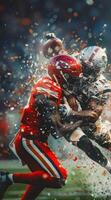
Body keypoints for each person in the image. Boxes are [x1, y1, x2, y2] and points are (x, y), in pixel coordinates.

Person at [44, 33, 111, 171]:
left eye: (87, 68)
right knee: (82, 141)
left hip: (83, 113)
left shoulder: (102, 86)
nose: (83, 70)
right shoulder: (74, 59)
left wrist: (71, 112)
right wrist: (53, 42)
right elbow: (59, 55)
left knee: (107, 142)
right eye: (83, 65)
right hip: (65, 97)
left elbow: (93, 115)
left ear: (97, 71)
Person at [0, 55, 83, 200]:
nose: (72, 80)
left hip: (33, 139)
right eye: (70, 76)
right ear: (60, 74)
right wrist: (81, 120)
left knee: (41, 179)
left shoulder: (50, 84)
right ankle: (7, 178)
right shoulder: (49, 88)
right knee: (58, 178)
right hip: (31, 141)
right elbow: (59, 129)